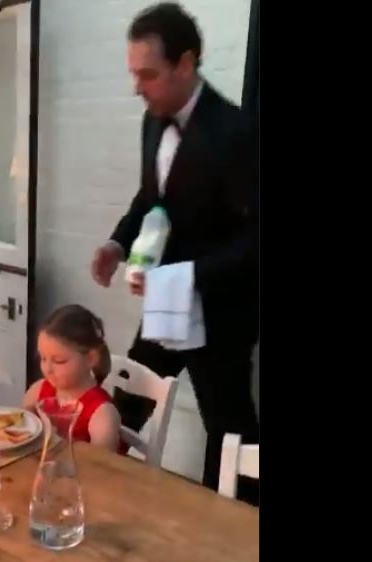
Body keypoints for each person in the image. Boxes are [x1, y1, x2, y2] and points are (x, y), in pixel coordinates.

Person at [90, 2, 259, 503]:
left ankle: (236, 527)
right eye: (134, 74)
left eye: (148, 74)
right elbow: (151, 197)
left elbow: (254, 241)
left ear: (185, 64)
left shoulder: (238, 132)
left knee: (229, 432)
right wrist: (117, 243)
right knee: (129, 400)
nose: (137, 87)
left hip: (221, 313)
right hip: (166, 303)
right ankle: (101, 492)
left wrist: (187, 274)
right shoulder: (153, 120)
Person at [23, 304, 124, 453]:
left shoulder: (102, 414)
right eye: (43, 358)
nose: (47, 369)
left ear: (90, 358)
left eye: (59, 361)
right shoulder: (38, 390)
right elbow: (21, 431)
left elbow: (100, 464)